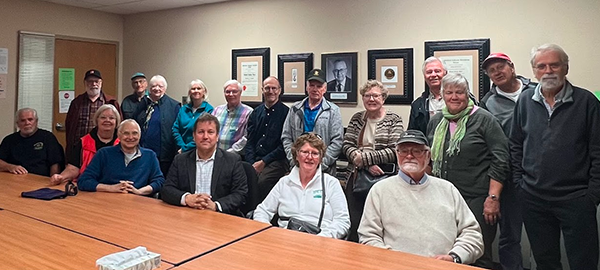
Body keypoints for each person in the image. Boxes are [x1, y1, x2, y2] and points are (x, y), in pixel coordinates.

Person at [510, 43, 600, 270]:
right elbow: (516, 144)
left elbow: (598, 151)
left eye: (554, 65)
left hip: (576, 199)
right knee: (545, 262)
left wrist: (592, 195)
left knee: (584, 262)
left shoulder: (587, 102)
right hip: (534, 198)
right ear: (534, 71)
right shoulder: (525, 101)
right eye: (541, 66)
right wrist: (520, 184)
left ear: (565, 68)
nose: (548, 71)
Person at [358, 130, 484, 265]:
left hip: (443, 267)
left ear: (428, 155)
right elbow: (368, 237)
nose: (409, 156)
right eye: (403, 151)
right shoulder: (380, 190)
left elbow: (472, 234)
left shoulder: (447, 189)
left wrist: (454, 257)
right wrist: (393, 261)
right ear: (397, 154)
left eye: (417, 151)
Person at [426, 73, 509, 269]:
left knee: (477, 252)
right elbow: (428, 158)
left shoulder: (484, 120)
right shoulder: (437, 121)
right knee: (447, 248)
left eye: (459, 92)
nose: (454, 97)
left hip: (477, 199)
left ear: (467, 93)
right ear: (443, 95)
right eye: (449, 92)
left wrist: (493, 198)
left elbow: (501, 159)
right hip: (443, 198)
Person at [480, 52, 537, 270]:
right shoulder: (488, 103)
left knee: (543, 234)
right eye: (491, 71)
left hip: (539, 175)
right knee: (510, 236)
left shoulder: (536, 92)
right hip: (510, 178)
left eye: (500, 67)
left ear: (511, 67)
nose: (497, 72)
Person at [254, 133, 350, 239]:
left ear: (320, 158)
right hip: (284, 240)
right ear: (296, 155)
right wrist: (268, 231)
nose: (309, 157)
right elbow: (262, 210)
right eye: (305, 152)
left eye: (315, 153)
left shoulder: (331, 183)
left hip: (320, 241)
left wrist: (323, 237)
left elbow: (342, 221)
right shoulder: (284, 182)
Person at [342, 80, 404, 242]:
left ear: (383, 98)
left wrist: (364, 159)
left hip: (385, 178)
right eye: (367, 96)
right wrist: (367, 165)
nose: (371, 99)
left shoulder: (393, 119)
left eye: (375, 96)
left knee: (382, 223)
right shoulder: (357, 118)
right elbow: (347, 145)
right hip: (356, 178)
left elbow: (394, 150)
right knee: (355, 222)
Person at [161, 113, 248, 215]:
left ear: (217, 137)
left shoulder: (232, 160)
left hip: (220, 217)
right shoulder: (180, 160)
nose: (205, 137)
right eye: (201, 132)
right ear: (194, 136)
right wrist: (187, 198)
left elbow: (241, 194)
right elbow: (167, 189)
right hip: (188, 215)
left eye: (210, 132)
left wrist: (216, 205)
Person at [77, 120, 164, 195]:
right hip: (107, 202)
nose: (130, 137)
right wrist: (111, 188)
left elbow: (159, 181)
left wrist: (139, 192)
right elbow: (83, 181)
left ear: (140, 136)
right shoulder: (103, 154)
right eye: (126, 133)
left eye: (135, 133)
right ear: (119, 135)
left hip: (139, 203)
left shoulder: (150, 156)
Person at [281, 68, 343, 175]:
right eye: (312, 85)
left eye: (319, 86)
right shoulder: (295, 109)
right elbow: (286, 137)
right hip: (297, 168)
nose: (315, 89)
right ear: (307, 87)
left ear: (325, 88)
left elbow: (337, 142)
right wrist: (294, 160)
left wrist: (319, 164)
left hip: (324, 170)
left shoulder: (333, 111)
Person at [50, 104, 121, 185]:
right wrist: (61, 177)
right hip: (87, 186)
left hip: (115, 187)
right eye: (103, 117)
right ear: (97, 120)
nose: (107, 120)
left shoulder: (123, 143)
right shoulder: (83, 142)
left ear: (117, 122)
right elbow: (73, 169)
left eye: (111, 118)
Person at [245, 76, 290, 202]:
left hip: (277, 160)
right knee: (241, 178)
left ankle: (259, 215)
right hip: (255, 159)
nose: (271, 91)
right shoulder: (255, 113)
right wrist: (251, 163)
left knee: (262, 182)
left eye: (274, 88)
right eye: (267, 88)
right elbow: (250, 142)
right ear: (262, 90)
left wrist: (263, 162)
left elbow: (284, 145)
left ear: (279, 90)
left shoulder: (287, 113)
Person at [65, 69, 121, 158]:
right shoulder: (76, 103)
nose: (93, 84)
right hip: (81, 150)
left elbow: (119, 126)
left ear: (101, 83)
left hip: (106, 148)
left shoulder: (111, 102)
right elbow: (69, 127)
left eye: (96, 81)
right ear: (85, 83)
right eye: (90, 81)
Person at [135, 75, 181, 176]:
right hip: (143, 153)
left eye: (160, 86)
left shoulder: (174, 106)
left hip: (164, 156)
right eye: (154, 86)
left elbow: (178, 129)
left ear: (165, 88)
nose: (157, 89)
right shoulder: (143, 104)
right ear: (149, 89)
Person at [0, 108, 64, 177]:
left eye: (30, 119)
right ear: (17, 124)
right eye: (22, 120)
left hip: (40, 180)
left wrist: (52, 181)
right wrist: (10, 167)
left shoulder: (48, 138)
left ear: (36, 121)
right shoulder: (9, 140)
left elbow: (55, 164)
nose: (27, 123)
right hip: (15, 178)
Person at [211, 80, 253, 154]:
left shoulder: (248, 112)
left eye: (234, 91)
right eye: (227, 92)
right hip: (214, 153)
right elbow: (210, 131)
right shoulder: (217, 110)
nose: (230, 94)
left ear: (240, 93)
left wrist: (229, 153)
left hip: (235, 156)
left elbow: (246, 138)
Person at [172, 79, 214, 153]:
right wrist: (182, 146)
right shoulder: (183, 109)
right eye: (193, 89)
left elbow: (205, 134)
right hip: (180, 150)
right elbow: (175, 129)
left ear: (204, 92)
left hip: (200, 151)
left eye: (199, 88)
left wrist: (186, 148)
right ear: (189, 92)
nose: (196, 91)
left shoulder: (209, 110)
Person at [408, 57, 447, 135]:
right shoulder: (417, 105)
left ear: (445, 73)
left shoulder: (459, 98)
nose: (433, 75)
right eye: (429, 72)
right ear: (424, 76)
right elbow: (412, 134)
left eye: (437, 71)